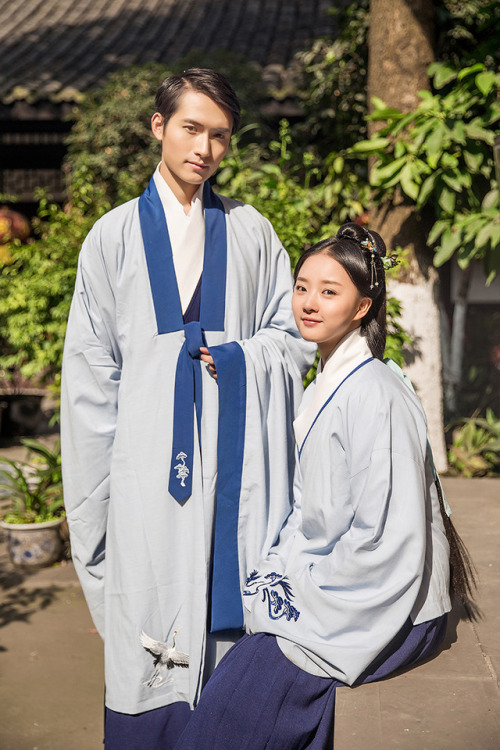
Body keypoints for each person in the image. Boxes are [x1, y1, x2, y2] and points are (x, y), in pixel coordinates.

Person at [60, 68, 314, 750]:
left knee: (238, 657)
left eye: (220, 135)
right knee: (149, 648)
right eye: (191, 128)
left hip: (241, 479)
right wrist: (94, 539)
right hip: (148, 483)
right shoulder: (111, 240)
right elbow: (88, 393)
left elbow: (293, 340)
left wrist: (239, 358)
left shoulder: (253, 233)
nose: (204, 147)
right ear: (158, 127)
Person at [173, 223, 475, 750]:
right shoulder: (331, 382)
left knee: (233, 707)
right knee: (243, 677)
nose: (309, 303)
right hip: (339, 582)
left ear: (363, 307)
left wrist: (302, 595)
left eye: (330, 291)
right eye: (302, 286)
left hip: (380, 598)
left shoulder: (376, 394)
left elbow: (387, 540)